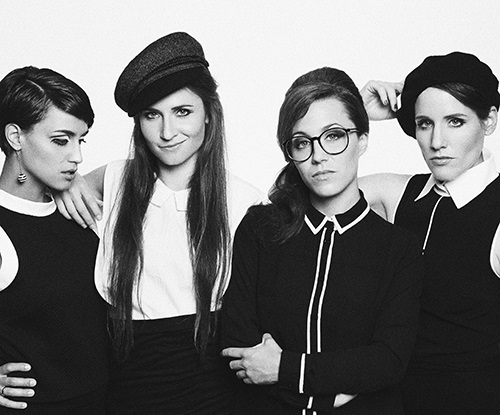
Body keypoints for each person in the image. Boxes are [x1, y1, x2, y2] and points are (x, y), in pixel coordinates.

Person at [54, 32, 262, 414]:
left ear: (208, 112)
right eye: (152, 115)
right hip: (121, 392)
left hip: (212, 395)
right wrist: (64, 185)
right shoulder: (114, 180)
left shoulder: (244, 201)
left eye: (182, 111)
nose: (167, 132)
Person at [220, 67, 423, 414]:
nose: (318, 156)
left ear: (362, 140)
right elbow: (238, 346)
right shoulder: (260, 228)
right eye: (302, 143)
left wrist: (286, 369)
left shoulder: (399, 248)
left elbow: (387, 361)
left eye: (334, 136)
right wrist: (328, 393)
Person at [359, 51, 500, 414]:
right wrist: (353, 115)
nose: (437, 141)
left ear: (489, 120)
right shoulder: (399, 194)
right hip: (391, 401)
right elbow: (291, 201)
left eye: (455, 122)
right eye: (424, 124)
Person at [0, 66, 108, 414]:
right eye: (61, 140)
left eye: (81, 140)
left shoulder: (75, 205)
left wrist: (77, 182)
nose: (77, 156)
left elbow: (149, 168)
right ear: (15, 137)